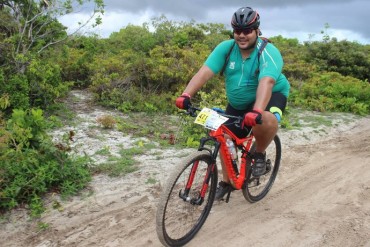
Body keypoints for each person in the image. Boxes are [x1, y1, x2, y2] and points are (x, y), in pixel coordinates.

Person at [175, 7, 290, 200]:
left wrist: (257, 111)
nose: (242, 35)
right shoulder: (226, 48)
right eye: (238, 31)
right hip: (238, 103)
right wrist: (186, 95)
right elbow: (205, 72)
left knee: (266, 119)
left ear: (257, 30)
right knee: (223, 134)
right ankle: (228, 182)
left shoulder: (268, 52)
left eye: (247, 31)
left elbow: (266, 82)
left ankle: (259, 154)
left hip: (271, 95)